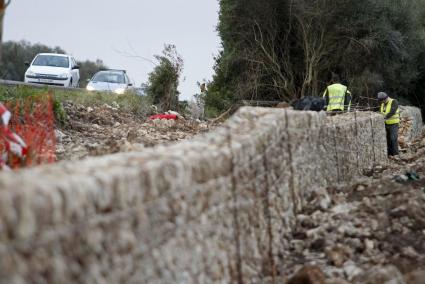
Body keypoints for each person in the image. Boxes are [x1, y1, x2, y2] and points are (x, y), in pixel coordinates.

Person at [377, 92, 400, 156]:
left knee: (393, 139)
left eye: (382, 101)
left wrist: (385, 117)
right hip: (386, 124)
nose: (381, 102)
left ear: (385, 98)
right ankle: (389, 154)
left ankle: (396, 155)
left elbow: (392, 111)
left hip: (394, 124)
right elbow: (380, 112)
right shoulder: (382, 104)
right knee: (388, 140)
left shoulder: (394, 101)